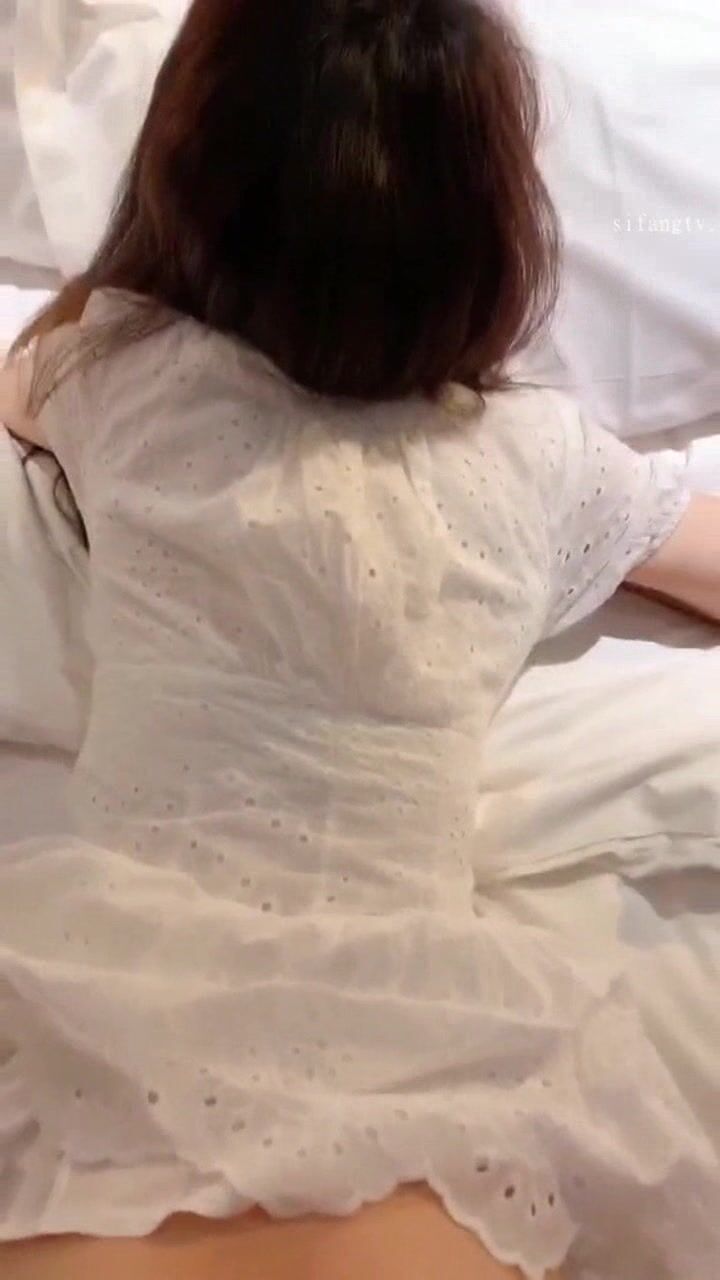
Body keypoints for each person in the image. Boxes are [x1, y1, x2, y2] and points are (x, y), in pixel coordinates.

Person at [0, 1, 718, 1278]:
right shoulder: (537, 459)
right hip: (417, 1028)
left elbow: (22, 391)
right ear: (496, 223)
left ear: (186, 181)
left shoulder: (109, 372)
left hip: (116, 982)